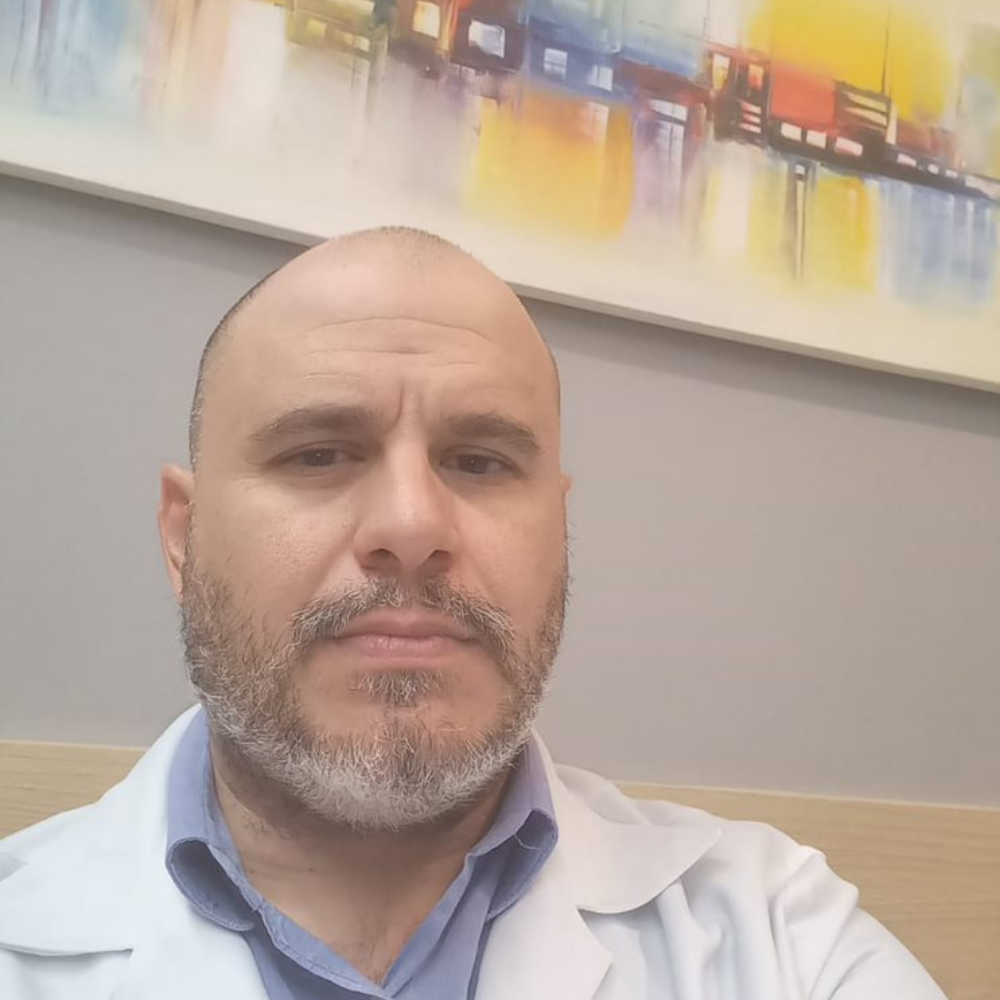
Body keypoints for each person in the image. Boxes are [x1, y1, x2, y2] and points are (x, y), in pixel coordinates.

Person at [0, 228, 947, 1000]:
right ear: (184, 536)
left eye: (481, 462)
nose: (413, 526)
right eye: (319, 453)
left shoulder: (782, 939)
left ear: (559, 531)